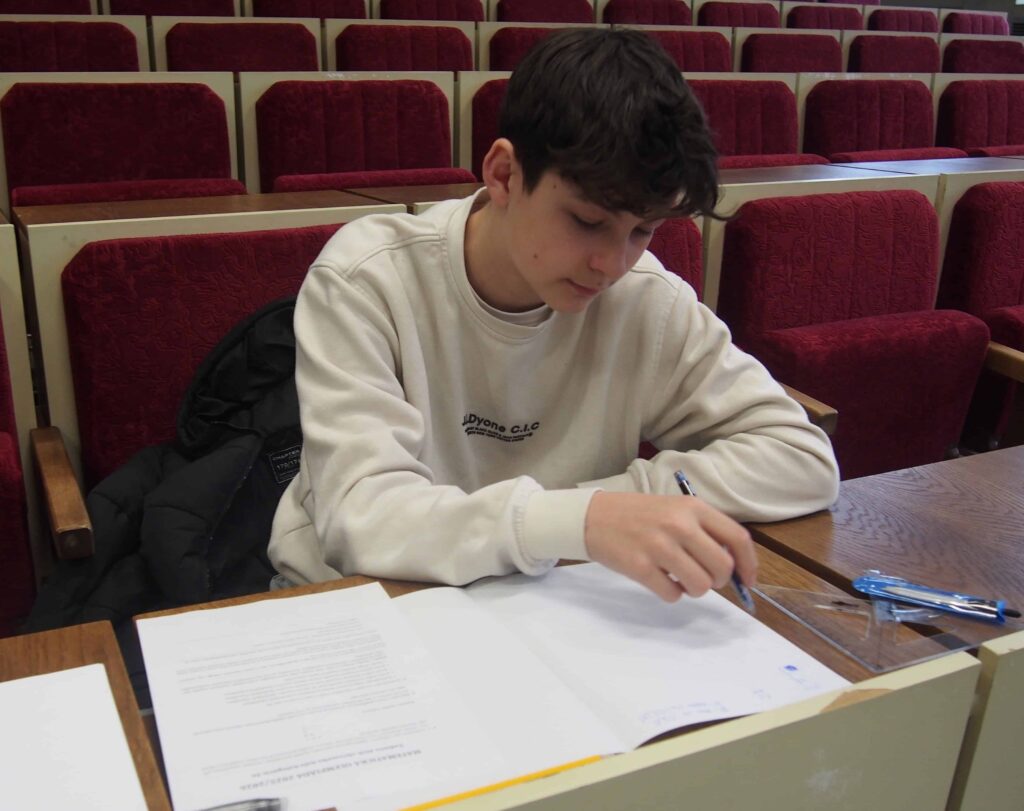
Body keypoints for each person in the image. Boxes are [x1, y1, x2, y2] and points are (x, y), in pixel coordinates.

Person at [268, 28, 839, 603]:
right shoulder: (365, 278)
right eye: (587, 222)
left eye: (642, 230)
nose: (612, 264)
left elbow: (800, 457)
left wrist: (609, 509)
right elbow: (362, 520)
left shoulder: (645, 296)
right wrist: (583, 520)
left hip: (546, 591)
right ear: (504, 174)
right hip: (359, 599)